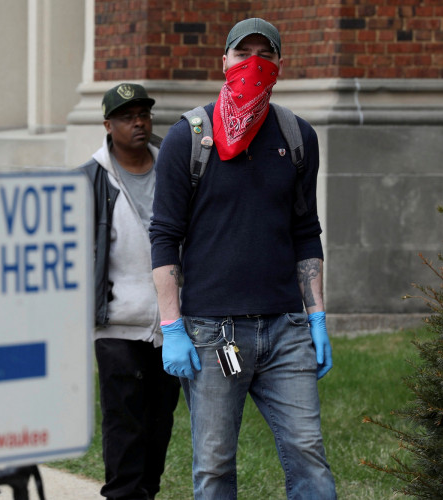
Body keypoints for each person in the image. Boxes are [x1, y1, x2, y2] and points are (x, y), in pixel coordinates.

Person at [149, 18, 337, 499]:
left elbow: (305, 231)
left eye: (264, 54)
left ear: (278, 65)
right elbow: (165, 236)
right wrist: (172, 327)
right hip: (214, 334)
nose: (253, 63)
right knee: (213, 467)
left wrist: (316, 316)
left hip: (285, 330)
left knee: (309, 456)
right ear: (225, 61)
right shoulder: (187, 138)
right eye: (242, 53)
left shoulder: (298, 137)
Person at [80, 83, 180, 500]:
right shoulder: (89, 180)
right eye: (126, 116)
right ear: (108, 125)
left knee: (159, 429)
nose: (138, 123)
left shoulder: (174, 170)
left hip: (171, 327)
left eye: (143, 114)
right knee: (125, 429)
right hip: (117, 327)